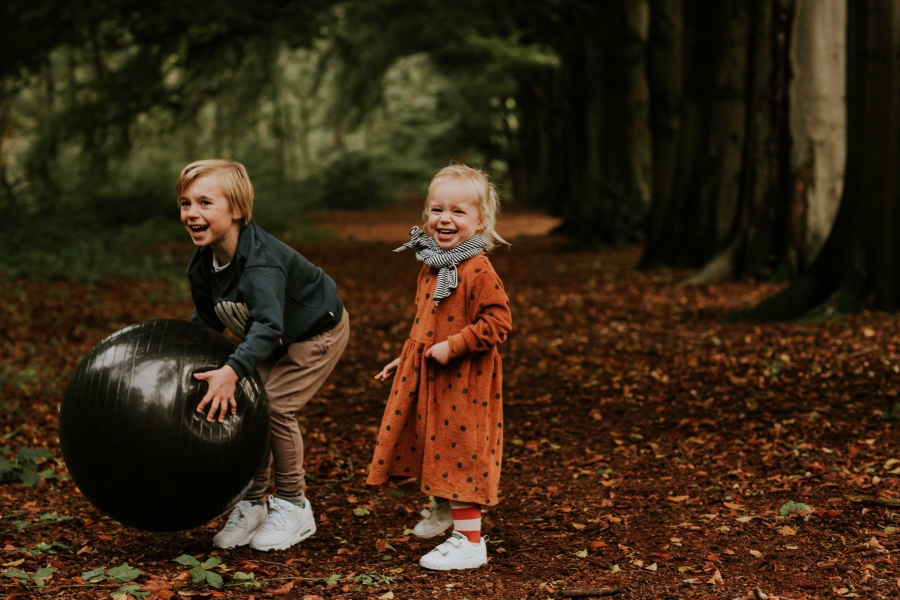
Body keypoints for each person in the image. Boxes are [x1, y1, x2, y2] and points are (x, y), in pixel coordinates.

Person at [177, 159, 349, 551]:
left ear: (236, 210)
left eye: (205, 203)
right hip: (270, 335)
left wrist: (233, 368)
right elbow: (206, 321)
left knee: (274, 406)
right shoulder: (202, 263)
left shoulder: (260, 265)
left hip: (315, 332)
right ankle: (252, 503)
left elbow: (269, 328)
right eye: (186, 203)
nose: (192, 213)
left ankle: (293, 504)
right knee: (245, 403)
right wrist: (188, 359)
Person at [369, 164, 512, 570]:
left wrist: (456, 345)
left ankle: (469, 541)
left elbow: (499, 322)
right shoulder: (432, 263)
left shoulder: (477, 268)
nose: (444, 219)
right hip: (430, 374)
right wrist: (407, 357)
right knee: (430, 443)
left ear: (480, 220)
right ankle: (444, 508)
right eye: (437, 209)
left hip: (465, 381)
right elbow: (426, 320)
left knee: (461, 454)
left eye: (458, 212)